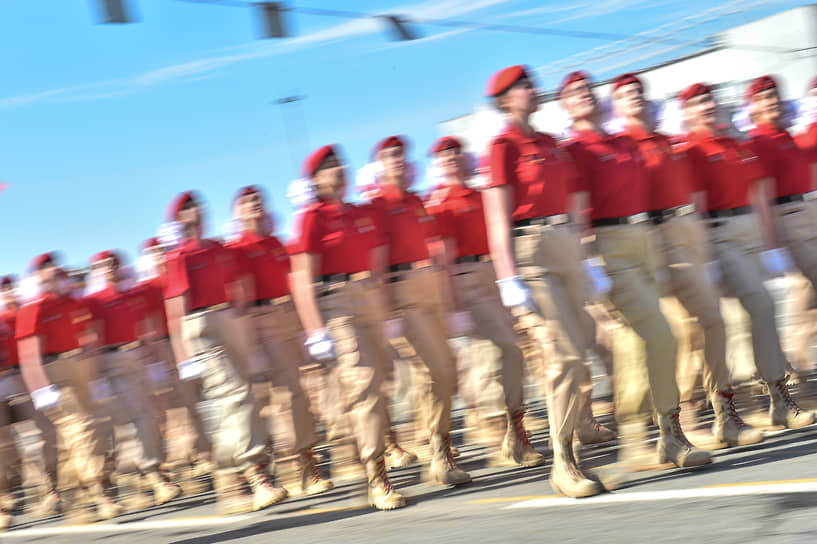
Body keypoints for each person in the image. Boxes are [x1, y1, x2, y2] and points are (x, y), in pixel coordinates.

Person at [561, 71, 711, 468]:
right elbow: (576, 212)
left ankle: (656, 438)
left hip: (645, 239)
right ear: (564, 105)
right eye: (574, 92)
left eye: (588, 89)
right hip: (609, 248)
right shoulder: (574, 150)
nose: (584, 95)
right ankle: (654, 434)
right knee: (660, 335)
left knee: (636, 342)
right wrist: (588, 261)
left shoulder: (621, 143)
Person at [611, 72, 763, 447]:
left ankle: (723, 414)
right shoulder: (619, 148)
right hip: (647, 238)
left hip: (682, 236)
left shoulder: (667, 142)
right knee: (670, 334)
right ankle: (674, 420)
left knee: (711, 321)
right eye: (626, 93)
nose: (636, 97)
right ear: (615, 105)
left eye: (639, 92)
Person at [481, 65, 604, 498]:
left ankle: (571, 443)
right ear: (503, 100)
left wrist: (588, 259)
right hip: (531, 251)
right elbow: (497, 220)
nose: (533, 89)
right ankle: (563, 460)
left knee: (582, 346)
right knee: (564, 356)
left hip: (566, 245)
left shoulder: (551, 145)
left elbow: (574, 206)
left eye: (532, 83)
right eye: (522, 86)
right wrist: (507, 279)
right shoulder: (501, 147)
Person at [681, 82, 814, 429]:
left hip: (750, 230)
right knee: (759, 305)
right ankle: (760, 399)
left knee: (756, 314)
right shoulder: (691, 150)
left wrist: (771, 247)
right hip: (719, 234)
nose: (706, 106)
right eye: (697, 103)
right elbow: (695, 206)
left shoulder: (735, 145)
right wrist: (704, 254)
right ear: (687, 113)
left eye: (708, 99)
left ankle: (773, 399)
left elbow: (759, 196)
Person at [288, 144, 406, 510]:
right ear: (315, 179)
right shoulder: (311, 217)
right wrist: (315, 330)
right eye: (327, 166)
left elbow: (376, 270)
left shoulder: (361, 212)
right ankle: (377, 475)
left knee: (385, 378)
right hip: (335, 302)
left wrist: (386, 315)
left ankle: (364, 446)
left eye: (339, 162)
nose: (337, 169)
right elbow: (302, 278)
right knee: (364, 381)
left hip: (366, 296)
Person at [163, 191, 288, 513]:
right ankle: (257, 477)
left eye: (197, 204)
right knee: (236, 397)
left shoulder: (219, 249)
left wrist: (248, 338)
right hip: (201, 327)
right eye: (187, 207)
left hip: (229, 320)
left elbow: (239, 293)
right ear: (179, 219)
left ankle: (228, 486)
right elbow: (176, 311)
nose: (196, 210)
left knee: (237, 403)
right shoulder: (179, 256)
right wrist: (184, 356)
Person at [424, 135, 544, 467]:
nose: (451, 159)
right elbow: (442, 259)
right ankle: (496, 428)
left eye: (456, 153)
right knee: (495, 352)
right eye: (443, 155)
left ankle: (514, 429)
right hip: (466, 279)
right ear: (437, 165)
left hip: (492, 272)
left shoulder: (480, 195)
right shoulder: (440, 202)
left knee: (514, 352)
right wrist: (453, 306)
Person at [364, 135, 471, 487]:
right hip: (400, 292)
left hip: (428, 286)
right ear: (378, 165)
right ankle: (437, 451)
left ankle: (438, 446)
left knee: (443, 370)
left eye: (401, 155)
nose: (398, 160)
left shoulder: (415, 200)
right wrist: (387, 315)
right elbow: (376, 267)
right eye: (390, 155)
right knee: (436, 368)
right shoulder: (375, 205)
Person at [226, 185, 333, 496]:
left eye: (259, 199)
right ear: (238, 213)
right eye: (247, 201)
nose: (255, 204)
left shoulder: (275, 243)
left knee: (295, 395)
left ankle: (303, 462)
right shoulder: (236, 249)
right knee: (263, 403)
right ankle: (258, 472)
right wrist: (250, 346)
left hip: (283, 316)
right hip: (255, 322)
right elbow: (240, 301)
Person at [16, 253, 124, 521]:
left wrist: (96, 378)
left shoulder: (73, 303)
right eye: (46, 267)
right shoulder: (33, 308)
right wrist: (41, 389)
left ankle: (78, 499)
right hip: (53, 372)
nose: (53, 270)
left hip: (78, 366)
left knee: (90, 430)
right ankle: (98, 492)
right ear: (38, 276)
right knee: (79, 429)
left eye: (55, 265)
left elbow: (89, 339)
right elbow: (29, 354)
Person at [84, 250, 183, 506]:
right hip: (109, 362)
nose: (109, 269)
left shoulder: (133, 295)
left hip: (135, 356)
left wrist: (155, 363)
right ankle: (122, 481)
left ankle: (150, 475)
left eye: (113, 264)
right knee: (120, 424)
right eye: (103, 265)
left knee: (147, 416)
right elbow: (91, 341)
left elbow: (147, 330)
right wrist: (95, 379)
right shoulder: (93, 301)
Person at [133, 237, 213, 475]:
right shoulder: (146, 288)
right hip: (164, 347)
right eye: (154, 252)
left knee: (194, 402)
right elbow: (145, 325)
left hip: (188, 339)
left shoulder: (177, 275)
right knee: (174, 408)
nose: (160, 255)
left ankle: (202, 452)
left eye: (162, 250)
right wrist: (154, 360)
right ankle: (184, 459)